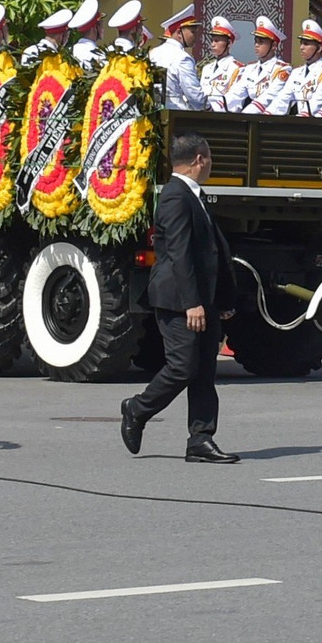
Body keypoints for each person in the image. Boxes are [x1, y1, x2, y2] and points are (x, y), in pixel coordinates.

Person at [121, 132, 240, 463]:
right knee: (183, 367)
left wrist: (223, 300)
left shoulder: (195, 196)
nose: (211, 164)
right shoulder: (176, 196)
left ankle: (200, 440)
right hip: (179, 300)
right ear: (199, 159)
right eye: (210, 158)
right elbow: (180, 254)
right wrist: (192, 303)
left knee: (203, 370)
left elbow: (213, 253)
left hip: (203, 299)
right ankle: (136, 409)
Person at [154, 4, 209, 110]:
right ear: (179, 32)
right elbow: (194, 94)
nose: (196, 36)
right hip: (176, 112)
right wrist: (209, 108)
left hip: (155, 111)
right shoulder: (183, 58)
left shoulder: (153, 53)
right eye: (192, 32)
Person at [235, 16, 293, 114]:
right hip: (250, 116)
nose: (256, 45)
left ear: (274, 45)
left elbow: (269, 96)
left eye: (261, 42)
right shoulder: (249, 68)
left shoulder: (283, 69)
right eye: (256, 41)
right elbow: (237, 93)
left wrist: (245, 114)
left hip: (270, 119)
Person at [284, 19, 322, 116]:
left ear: (319, 48)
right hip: (300, 120)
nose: (301, 47)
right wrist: (269, 114)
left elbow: (318, 101)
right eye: (301, 43)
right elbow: (284, 98)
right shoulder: (296, 73)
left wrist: (302, 116)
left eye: (306, 44)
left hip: (318, 123)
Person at [200, 16, 243, 110]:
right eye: (212, 40)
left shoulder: (237, 68)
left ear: (229, 43)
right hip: (203, 113)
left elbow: (236, 101)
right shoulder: (207, 68)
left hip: (223, 116)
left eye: (217, 40)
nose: (212, 44)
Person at [69, 0, 104, 68]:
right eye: (101, 25)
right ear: (95, 27)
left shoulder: (70, 51)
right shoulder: (99, 56)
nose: (103, 29)